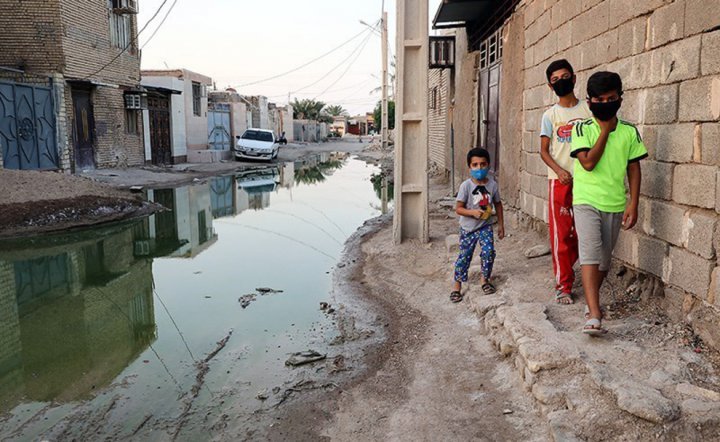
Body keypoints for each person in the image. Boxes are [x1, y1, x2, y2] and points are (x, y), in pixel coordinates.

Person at [570, 71, 647, 335]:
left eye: (611, 98)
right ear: (590, 101)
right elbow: (588, 162)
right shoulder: (581, 128)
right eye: (599, 99)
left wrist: (633, 203)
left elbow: (633, 168)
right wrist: (604, 131)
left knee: (604, 260)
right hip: (585, 200)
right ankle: (594, 313)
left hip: (614, 204)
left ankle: (592, 301)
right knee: (590, 253)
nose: (605, 103)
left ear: (620, 98)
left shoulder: (629, 132)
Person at [540, 59, 593, 305]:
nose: (560, 81)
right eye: (554, 80)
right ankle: (564, 285)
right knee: (560, 235)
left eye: (564, 76)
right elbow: (543, 151)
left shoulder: (589, 110)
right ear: (550, 87)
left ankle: (578, 274)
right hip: (559, 182)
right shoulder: (550, 115)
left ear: (574, 78)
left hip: (587, 180)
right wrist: (559, 171)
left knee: (584, 232)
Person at [450, 148, 505, 303]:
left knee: (488, 253)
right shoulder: (465, 186)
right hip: (468, 229)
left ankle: (484, 280)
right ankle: (457, 286)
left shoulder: (492, 185)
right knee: (464, 257)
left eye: (483, 164)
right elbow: (458, 209)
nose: (479, 168)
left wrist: (501, 225)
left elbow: (498, 205)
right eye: (475, 165)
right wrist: (472, 213)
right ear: (470, 167)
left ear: (488, 165)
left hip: (485, 227)